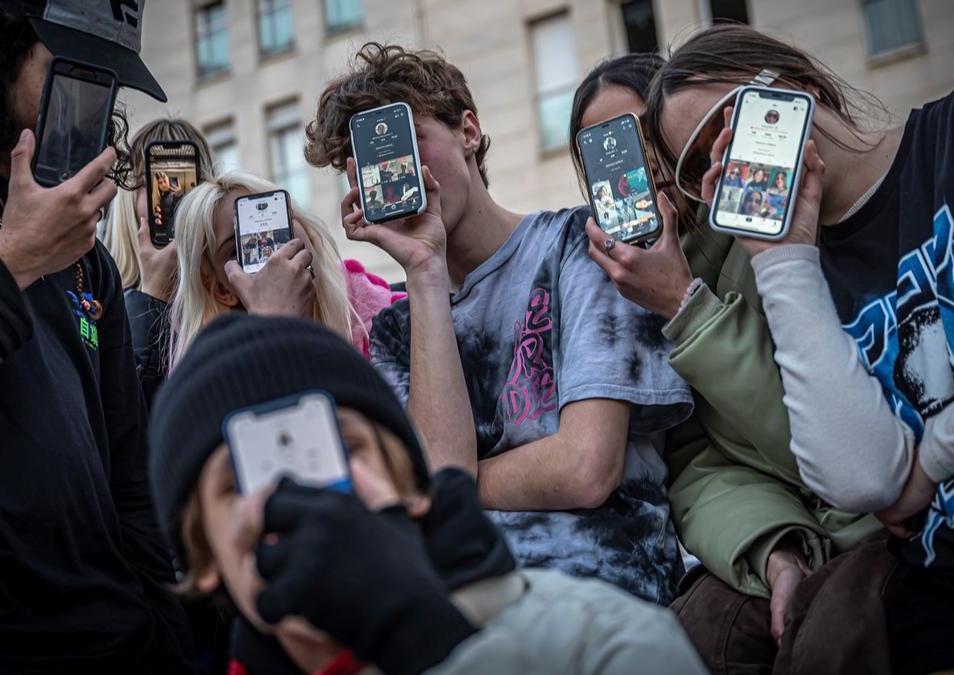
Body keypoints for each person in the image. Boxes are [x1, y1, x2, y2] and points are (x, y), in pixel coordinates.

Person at [652, 23, 954, 673]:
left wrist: (931, 460)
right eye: (698, 166)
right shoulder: (791, 280)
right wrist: (782, 259)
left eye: (727, 122)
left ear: (791, 85)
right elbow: (861, 478)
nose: (726, 158)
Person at [306, 42, 693, 605]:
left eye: (409, 144)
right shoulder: (396, 329)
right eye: (375, 165)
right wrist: (424, 269)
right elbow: (429, 491)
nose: (402, 174)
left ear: (469, 131)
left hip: (600, 583)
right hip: (463, 605)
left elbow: (587, 468)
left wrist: (457, 483)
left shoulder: (581, 244)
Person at [0, 1, 197, 671]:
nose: (90, 98)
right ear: (2, 48)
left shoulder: (89, 252)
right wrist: (12, 259)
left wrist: (165, 633)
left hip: (112, 633)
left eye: (108, 79)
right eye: (74, 69)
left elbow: (128, 471)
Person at [147, 313, 709, 675]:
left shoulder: (597, 637)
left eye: (337, 448)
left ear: (411, 488)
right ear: (206, 562)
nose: (293, 494)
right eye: (239, 477)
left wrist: (429, 645)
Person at [570, 53, 878, 672]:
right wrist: (774, 548)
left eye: (641, 136)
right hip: (769, 526)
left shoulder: (770, 224)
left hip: (869, 515)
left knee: (830, 637)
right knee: (693, 638)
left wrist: (686, 307)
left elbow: (824, 444)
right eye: (604, 153)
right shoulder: (623, 288)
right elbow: (693, 463)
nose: (635, 166)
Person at [168, 170, 402, 368]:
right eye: (240, 249)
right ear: (222, 289)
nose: (275, 255)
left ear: (306, 230)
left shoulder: (396, 317)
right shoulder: (218, 375)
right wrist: (274, 323)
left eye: (278, 225)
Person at [100, 117, 215, 407]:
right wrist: (152, 295)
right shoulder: (99, 303)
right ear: (128, 201)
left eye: (187, 182)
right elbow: (121, 422)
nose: (172, 199)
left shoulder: (231, 290)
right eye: (154, 183)